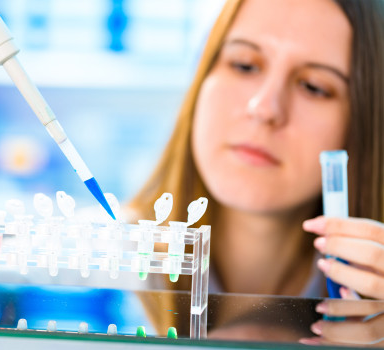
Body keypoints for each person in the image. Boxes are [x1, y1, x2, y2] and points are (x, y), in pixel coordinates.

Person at [129, 0, 384, 300]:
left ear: (364, 124)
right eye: (244, 65)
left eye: (314, 87)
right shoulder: (92, 266)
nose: (264, 108)